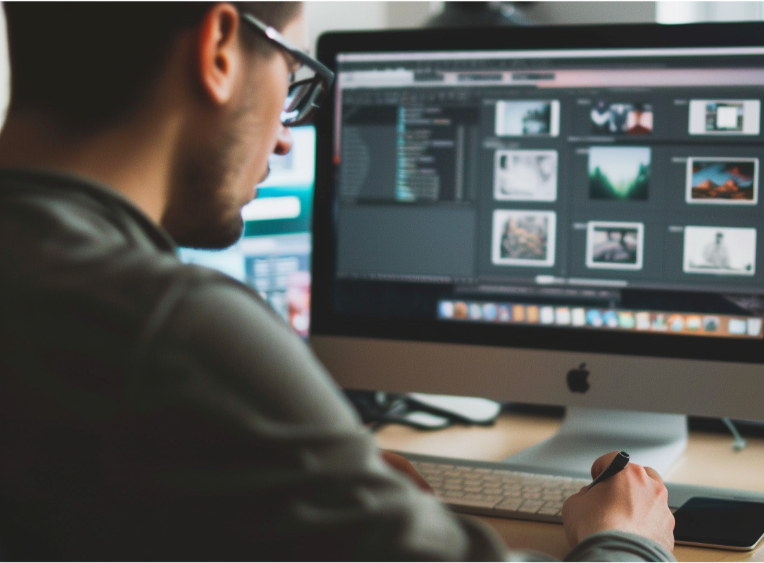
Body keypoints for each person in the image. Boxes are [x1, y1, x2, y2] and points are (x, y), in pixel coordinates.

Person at [0, 2, 676, 562]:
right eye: (293, 77)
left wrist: (357, 507)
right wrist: (627, 541)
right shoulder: (174, 329)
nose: (290, 139)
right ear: (220, 49)